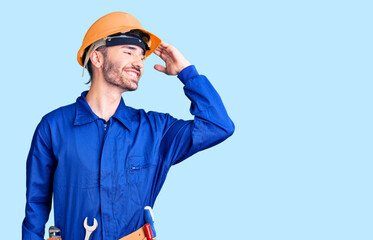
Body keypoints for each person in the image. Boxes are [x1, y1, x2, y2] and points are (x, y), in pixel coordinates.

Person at [22, 11, 234, 240]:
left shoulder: (156, 130)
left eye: (142, 56)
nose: (139, 62)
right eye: (129, 51)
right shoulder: (53, 127)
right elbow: (36, 203)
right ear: (97, 58)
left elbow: (218, 125)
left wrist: (187, 72)